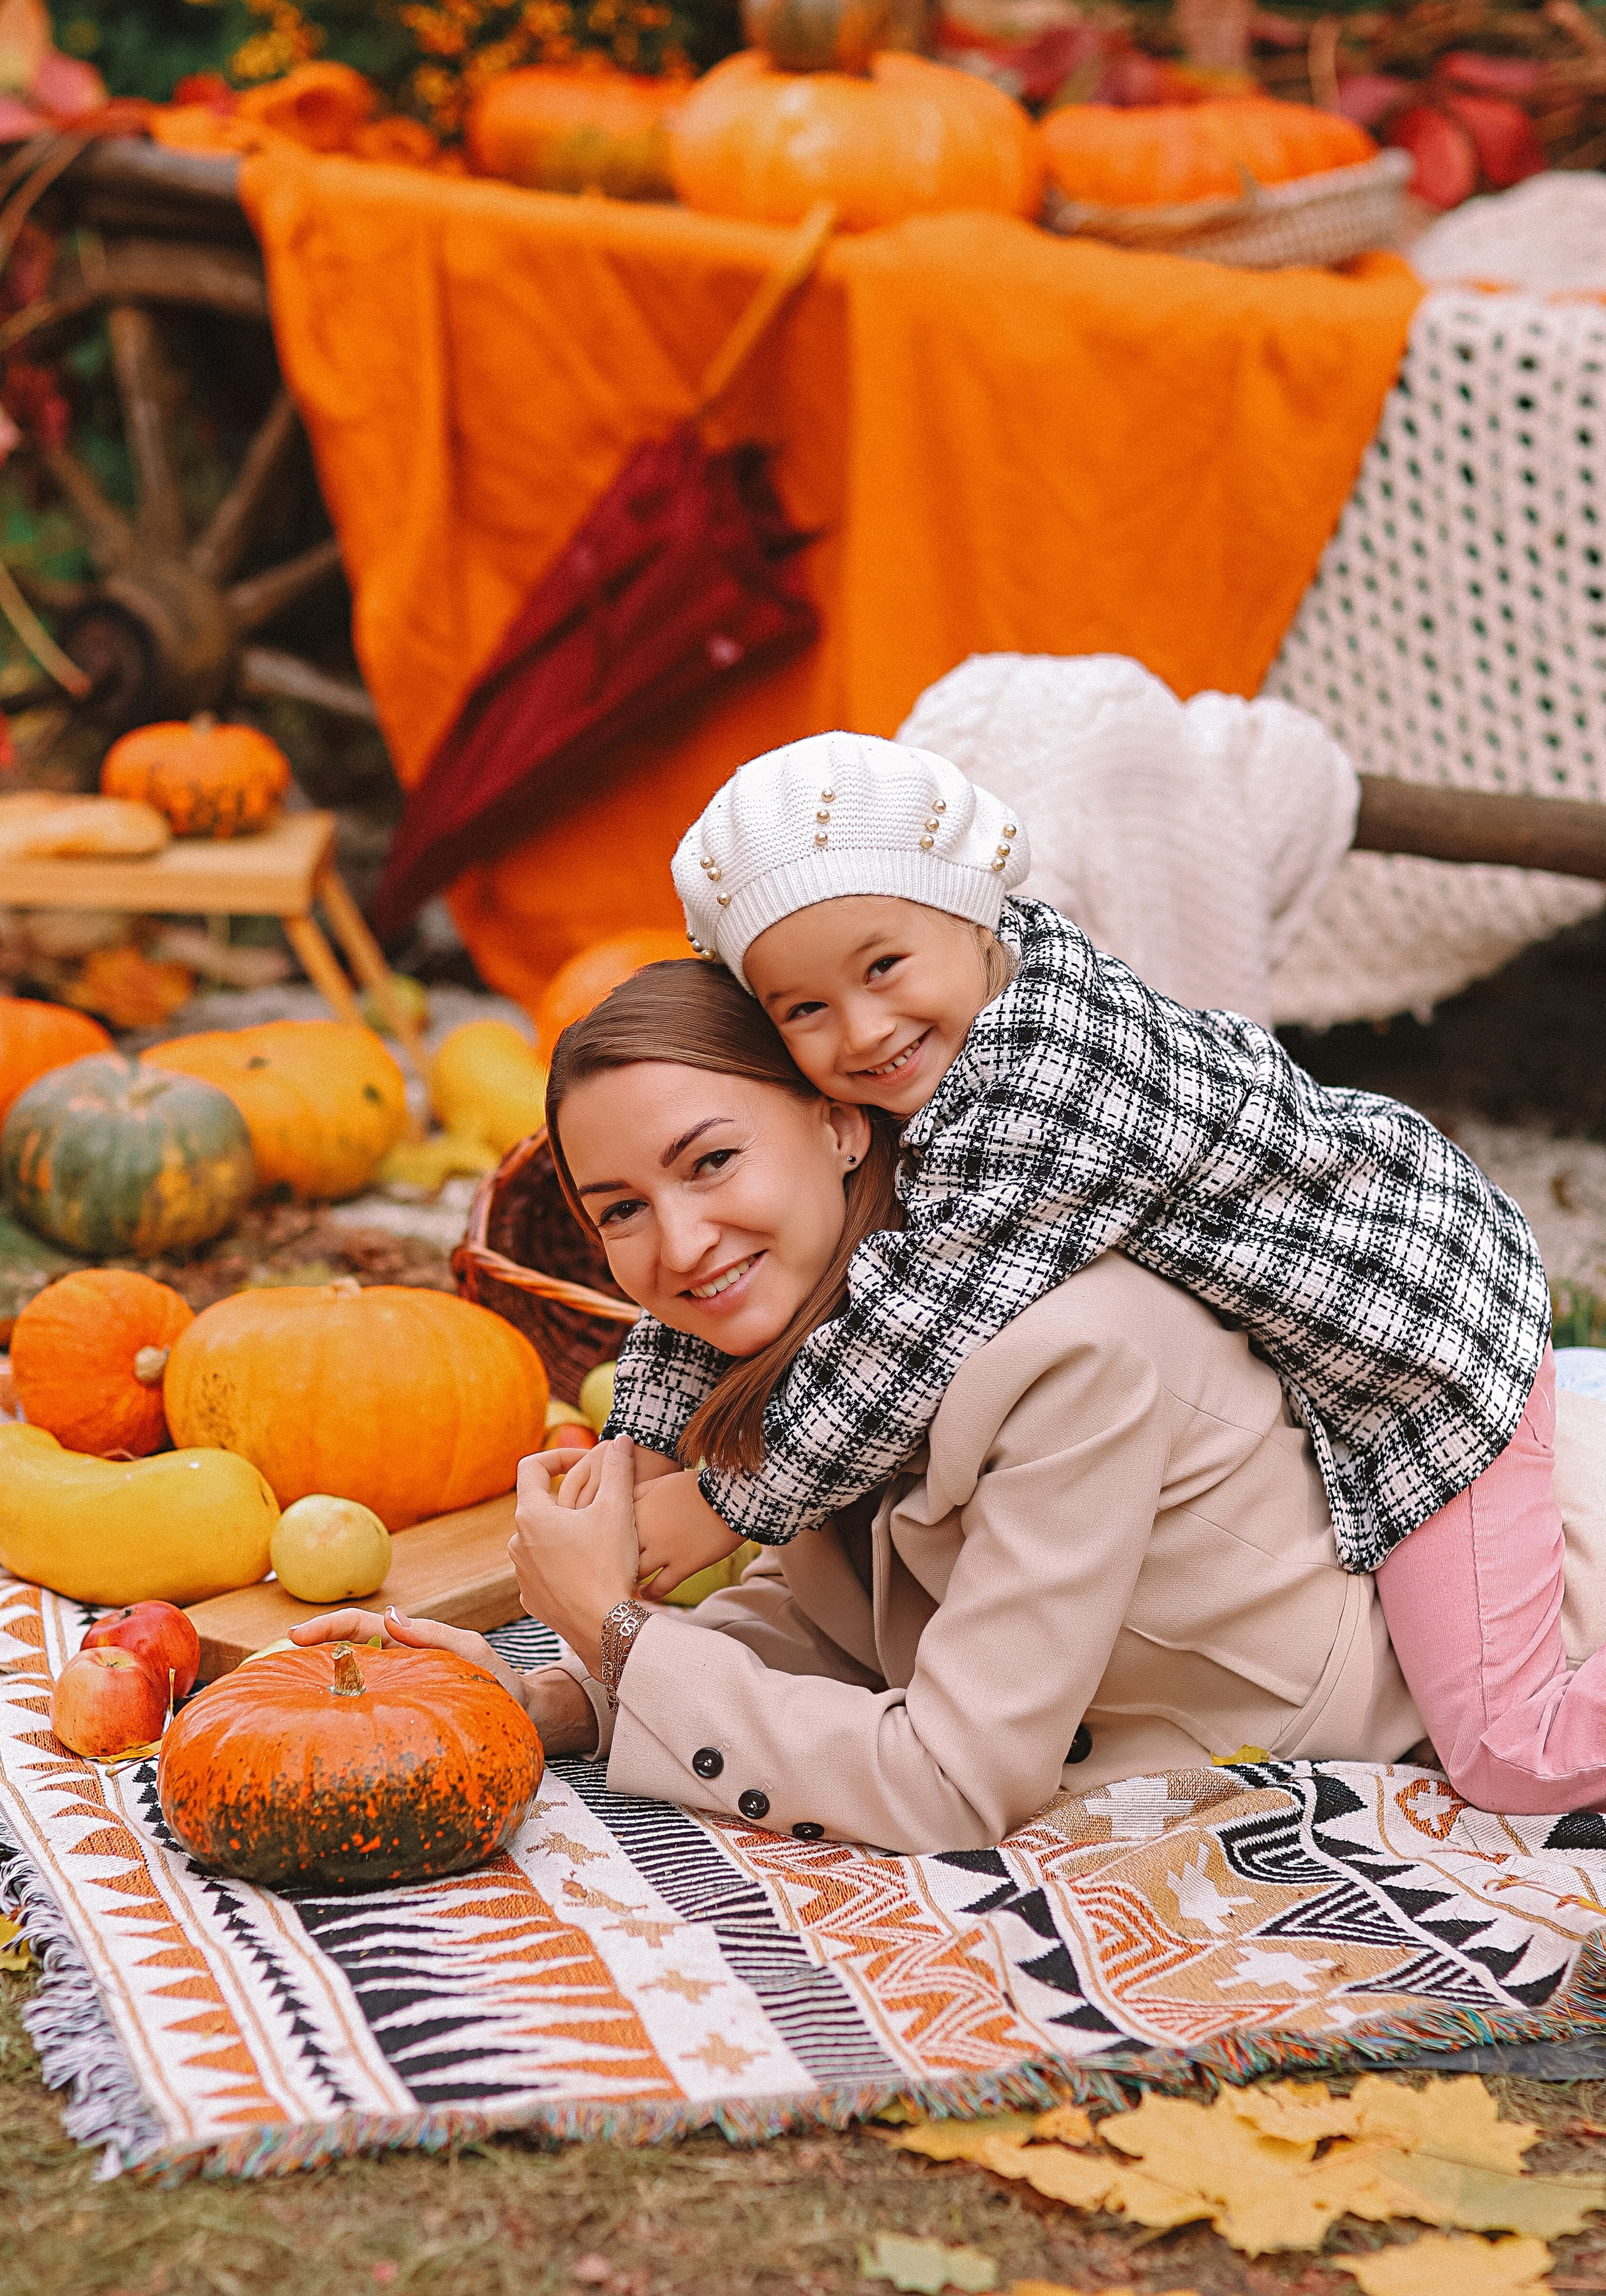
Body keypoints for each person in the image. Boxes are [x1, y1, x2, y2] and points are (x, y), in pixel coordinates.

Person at [559, 730, 1593, 1818]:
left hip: (1426, 1338)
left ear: (975, 917)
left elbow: (903, 1337)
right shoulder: (919, 1087)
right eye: (803, 1009)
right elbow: (814, 1515)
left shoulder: (1051, 1082)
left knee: (1511, 1749)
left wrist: (721, 1497)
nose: (862, 1030)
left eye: (884, 968)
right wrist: (640, 1448)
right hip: (1325, 1341)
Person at [294, 960, 1424, 1852]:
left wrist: (618, 1629)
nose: (680, 1245)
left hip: (1338, 1723)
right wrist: (563, 1696)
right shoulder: (827, 1336)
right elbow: (843, 1624)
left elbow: (951, 1781)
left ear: (840, 1124)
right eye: (622, 1209)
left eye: (714, 1161)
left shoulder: (1071, 1358)